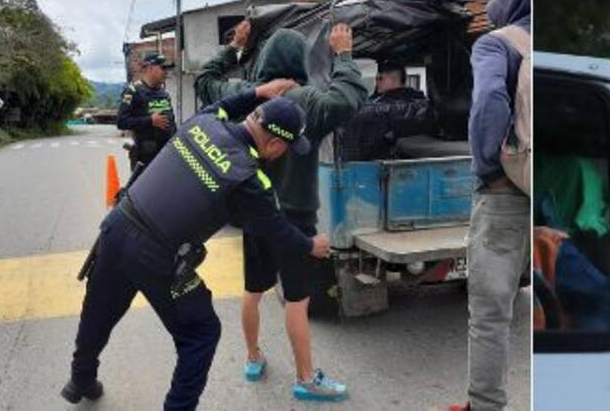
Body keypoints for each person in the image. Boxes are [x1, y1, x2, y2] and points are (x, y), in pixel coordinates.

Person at [62, 84, 332, 410]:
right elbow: (277, 232)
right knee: (202, 332)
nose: (285, 153)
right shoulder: (249, 179)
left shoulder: (204, 122)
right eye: (287, 147)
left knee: (99, 310)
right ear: (274, 143)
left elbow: (224, 104)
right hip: (155, 256)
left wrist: (258, 91)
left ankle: (80, 379)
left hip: (117, 227)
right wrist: (309, 245)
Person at [196, 21, 366, 402]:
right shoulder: (308, 101)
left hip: (255, 216)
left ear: (267, 59)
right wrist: (343, 55)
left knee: (253, 290)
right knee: (297, 300)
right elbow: (348, 98)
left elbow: (206, 82)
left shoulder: (247, 94)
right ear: (300, 62)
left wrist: (233, 48)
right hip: (297, 220)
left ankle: (253, 358)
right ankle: (306, 379)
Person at [453, 0, 531, 411]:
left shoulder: (496, 43)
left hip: (506, 196)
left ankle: (484, 405)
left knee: (490, 313)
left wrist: (490, 169)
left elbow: (488, 103)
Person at [339, 60, 434, 161]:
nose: (377, 81)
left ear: (393, 80)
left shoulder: (409, 103)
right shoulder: (377, 101)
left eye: (380, 78)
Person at [116, 51, 176, 171]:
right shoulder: (133, 91)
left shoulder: (164, 93)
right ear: (149, 68)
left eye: (167, 69)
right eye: (162, 68)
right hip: (144, 158)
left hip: (166, 155)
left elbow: (171, 123)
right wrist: (150, 121)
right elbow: (121, 122)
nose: (166, 72)